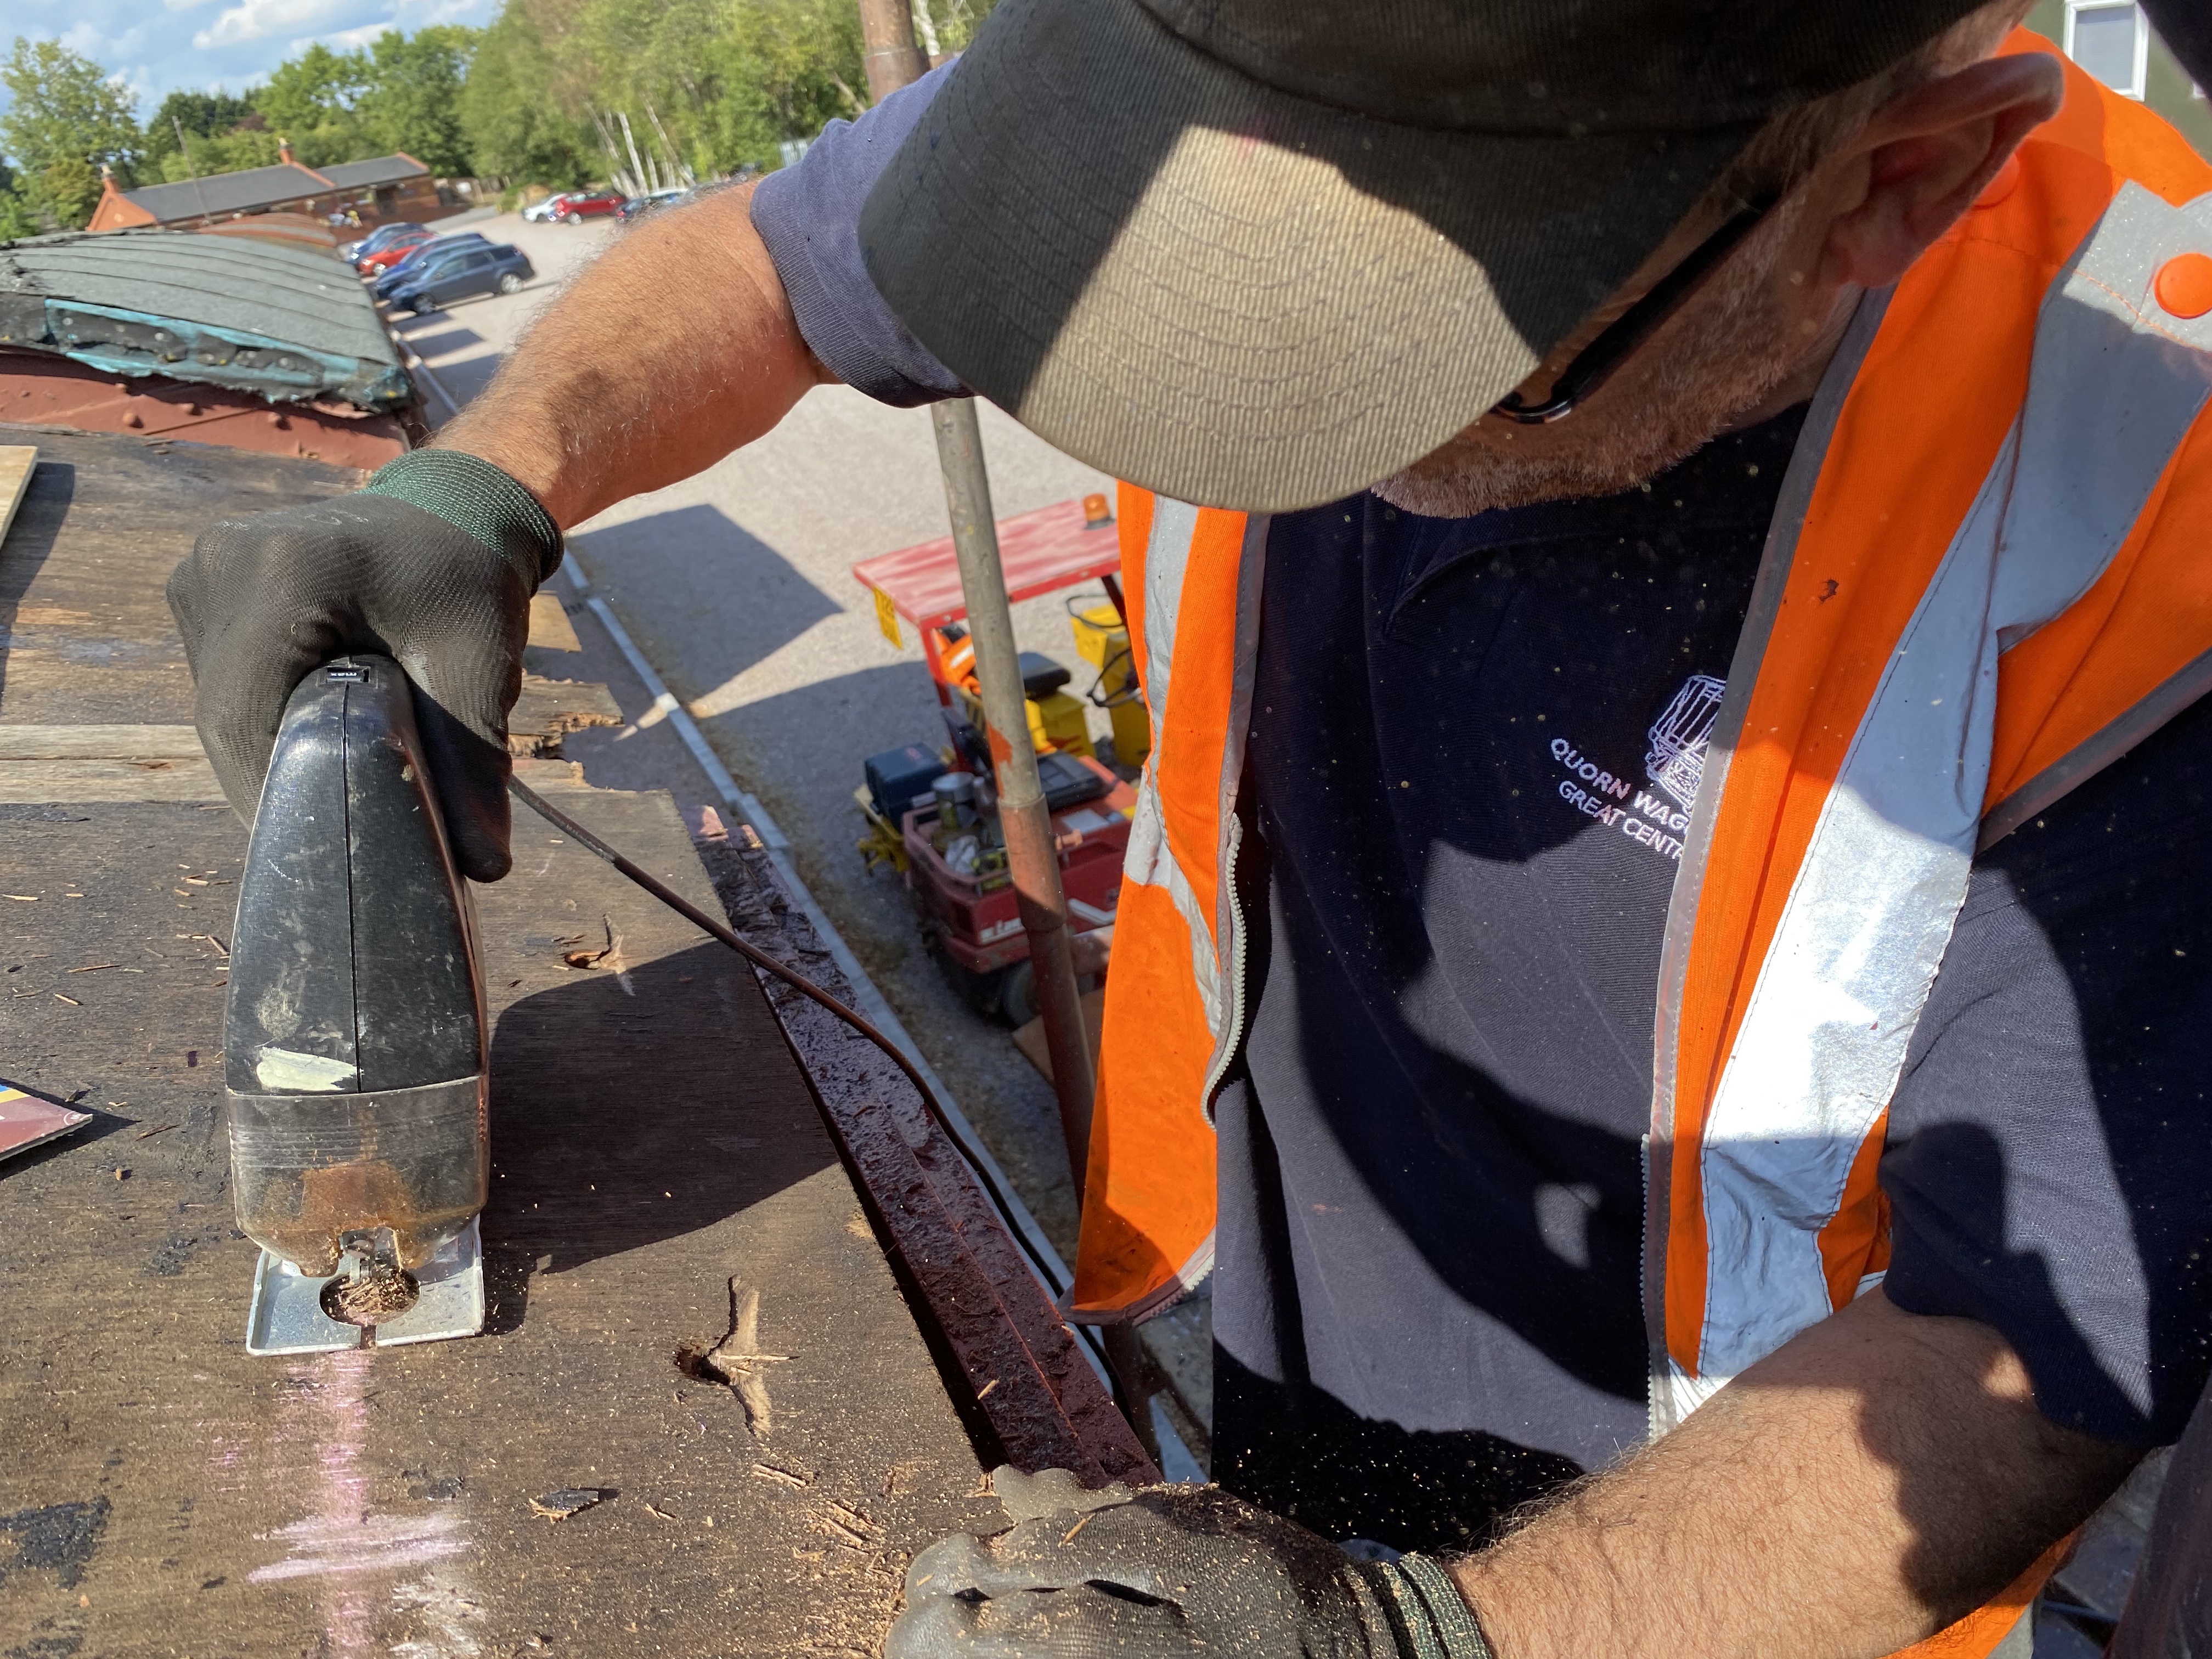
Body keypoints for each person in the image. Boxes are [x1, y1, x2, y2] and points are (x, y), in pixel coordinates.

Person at [166, 1, 2212, 1656]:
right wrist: (483, 487)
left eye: (1433, 370)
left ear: (1891, 185)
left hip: (1728, 1560)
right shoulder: (1236, 93)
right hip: (1282, 1373)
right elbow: (771, 262)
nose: (1306, 451)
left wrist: (1432, 1639)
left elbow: (2026, 1344)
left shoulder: (2156, 499)